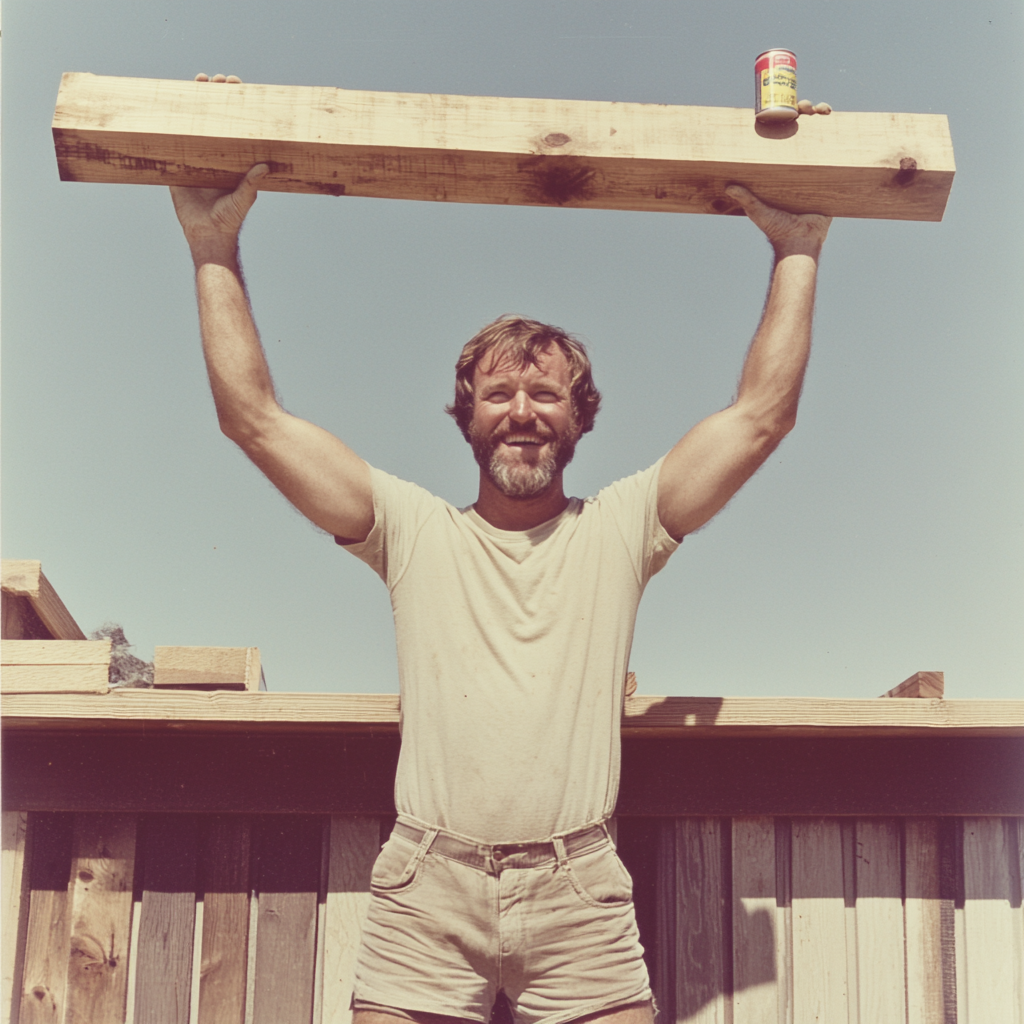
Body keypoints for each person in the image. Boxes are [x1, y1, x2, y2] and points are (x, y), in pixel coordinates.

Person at [172, 74, 831, 1024]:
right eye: (498, 393)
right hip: (425, 892)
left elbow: (761, 418)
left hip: (580, 896)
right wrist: (211, 243)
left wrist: (799, 249)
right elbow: (255, 421)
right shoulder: (411, 532)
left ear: (579, 419)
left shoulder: (619, 528)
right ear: (466, 417)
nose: (522, 410)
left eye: (547, 394)